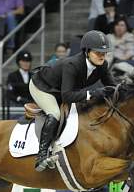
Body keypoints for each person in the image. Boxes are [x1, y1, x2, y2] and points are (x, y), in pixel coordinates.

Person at [29, 30, 117, 171]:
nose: (102, 56)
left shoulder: (103, 66)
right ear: (87, 51)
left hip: (61, 89)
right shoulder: (73, 65)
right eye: (98, 52)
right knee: (55, 114)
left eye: (104, 52)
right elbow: (67, 96)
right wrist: (93, 93)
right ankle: (41, 156)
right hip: (43, 86)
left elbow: (113, 87)